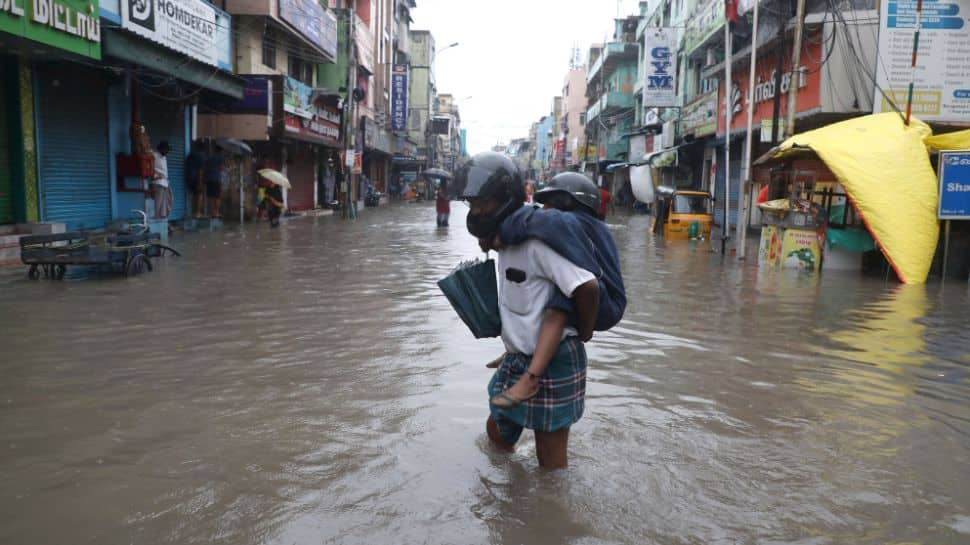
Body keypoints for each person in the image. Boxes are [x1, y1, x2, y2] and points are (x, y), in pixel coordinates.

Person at [458, 152, 600, 469]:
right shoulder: (507, 238)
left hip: (554, 361)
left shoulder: (538, 242)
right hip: (518, 358)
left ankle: (550, 515)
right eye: (473, 205)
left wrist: (586, 332)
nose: (477, 212)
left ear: (504, 199)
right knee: (497, 433)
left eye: (483, 204)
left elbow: (587, 287)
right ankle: (513, 494)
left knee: (549, 464)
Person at [488, 172, 626, 408]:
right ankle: (521, 351)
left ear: (570, 204)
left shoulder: (575, 224)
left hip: (604, 301)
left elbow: (537, 221)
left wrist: (501, 233)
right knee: (551, 291)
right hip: (595, 295)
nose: (546, 209)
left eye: (551, 203)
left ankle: (532, 377)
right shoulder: (580, 227)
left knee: (558, 307)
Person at [150, 141, 173, 219]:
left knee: (168, 200)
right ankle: (156, 217)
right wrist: (154, 176)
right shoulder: (154, 155)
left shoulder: (164, 157)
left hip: (165, 182)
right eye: (166, 150)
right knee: (158, 201)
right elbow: (151, 167)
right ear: (161, 149)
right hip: (158, 182)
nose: (167, 152)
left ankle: (162, 216)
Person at [186, 140, 206, 219]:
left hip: (189, 177)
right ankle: (197, 213)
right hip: (196, 178)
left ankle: (193, 212)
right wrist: (200, 182)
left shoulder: (190, 155)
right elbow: (200, 170)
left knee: (194, 195)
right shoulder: (201, 156)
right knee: (199, 194)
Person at [204, 146, 225, 219]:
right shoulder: (221, 158)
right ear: (221, 151)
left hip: (209, 178)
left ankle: (211, 212)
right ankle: (216, 212)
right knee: (217, 196)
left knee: (211, 196)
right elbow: (221, 168)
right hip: (216, 179)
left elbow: (205, 167)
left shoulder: (209, 157)